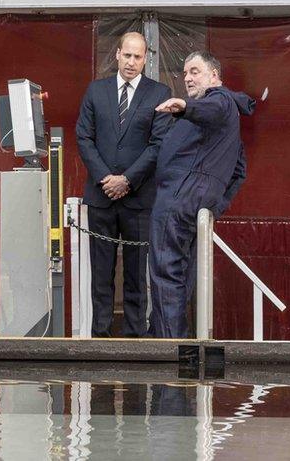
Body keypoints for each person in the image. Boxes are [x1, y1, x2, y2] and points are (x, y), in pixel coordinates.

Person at [149, 51, 254, 339]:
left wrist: (184, 106)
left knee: (166, 273)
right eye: (185, 73)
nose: (188, 78)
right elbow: (239, 171)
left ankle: (169, 347)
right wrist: (214, 206)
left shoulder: (218, 100)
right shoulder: (227, 116)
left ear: (215, 76)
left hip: (179, 198)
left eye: (195, 71)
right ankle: (167, 337)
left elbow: (211, 108)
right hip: (195, 206)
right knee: (180, 277)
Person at [76, 32, 172, 338]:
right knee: (101, 275)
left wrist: (127, 181)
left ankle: (134, 336)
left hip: (138, 199)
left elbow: (159, 145)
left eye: (138, 57)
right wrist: (107, 179)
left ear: (146, 59)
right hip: (101, 196)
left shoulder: (159, 93)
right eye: (127, 55)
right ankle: (100, 337)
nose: (131, 62)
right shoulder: (96, 91)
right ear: (117, 55)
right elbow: (84, 138)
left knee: (136, 274)